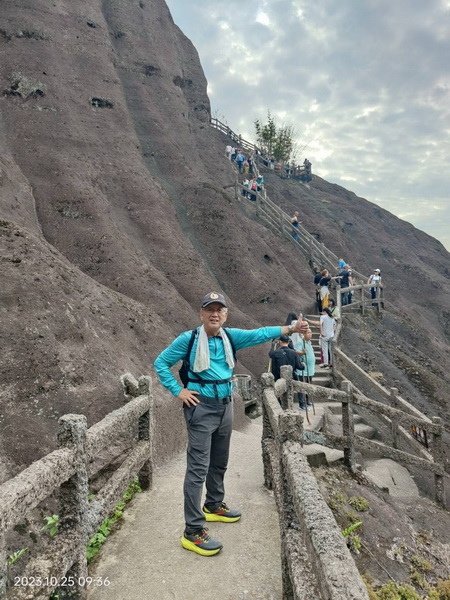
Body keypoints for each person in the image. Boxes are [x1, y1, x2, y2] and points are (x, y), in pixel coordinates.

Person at [153, 292, 309, 557]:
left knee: (220, 461)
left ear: (225, 315)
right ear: (201, 314)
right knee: (197, 468)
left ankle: (213, 505)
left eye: (219, 310)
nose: (214, 314)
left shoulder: (230, 337)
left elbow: (260, 333)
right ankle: (192, 531)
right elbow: (161, 363)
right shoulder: (188, 340)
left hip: (225, 405)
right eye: (209, 309)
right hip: (200, 407)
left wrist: (292, 327)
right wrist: (178, 391)